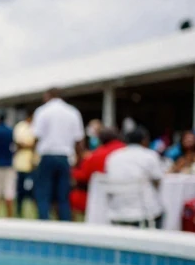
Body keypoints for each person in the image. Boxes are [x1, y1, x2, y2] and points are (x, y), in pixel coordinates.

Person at [31, 88, 85, 221]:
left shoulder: (42, 111)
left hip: (47, 156)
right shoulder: (72, 112)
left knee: (43, 195)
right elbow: (79, 140)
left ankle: (44, 224)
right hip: (65, 157)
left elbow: (36, 136)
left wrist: (33, 156)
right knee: (63, 196)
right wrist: (79, 159)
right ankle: (64, 225)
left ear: (48, 96)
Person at [104, 127, 165, 227]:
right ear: (144, 140)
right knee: (161, 208)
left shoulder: (113, 156)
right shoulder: (149, 155)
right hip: (144, 212)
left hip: (116, 210)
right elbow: (158, 181)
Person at [69, 127, 124, 215]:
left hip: (100, 199)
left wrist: (71, 171)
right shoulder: (126, 150)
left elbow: (83, 175)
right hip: (127, 198)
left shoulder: (96, 155)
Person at [12, 108, 37, 216]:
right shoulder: (20, 126)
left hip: (34, 164)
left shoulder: (37, 127)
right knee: (20, 192)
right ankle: (19, 212)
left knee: (35, 192)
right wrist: (32, 145)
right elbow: (18, 144)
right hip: (21, 165)